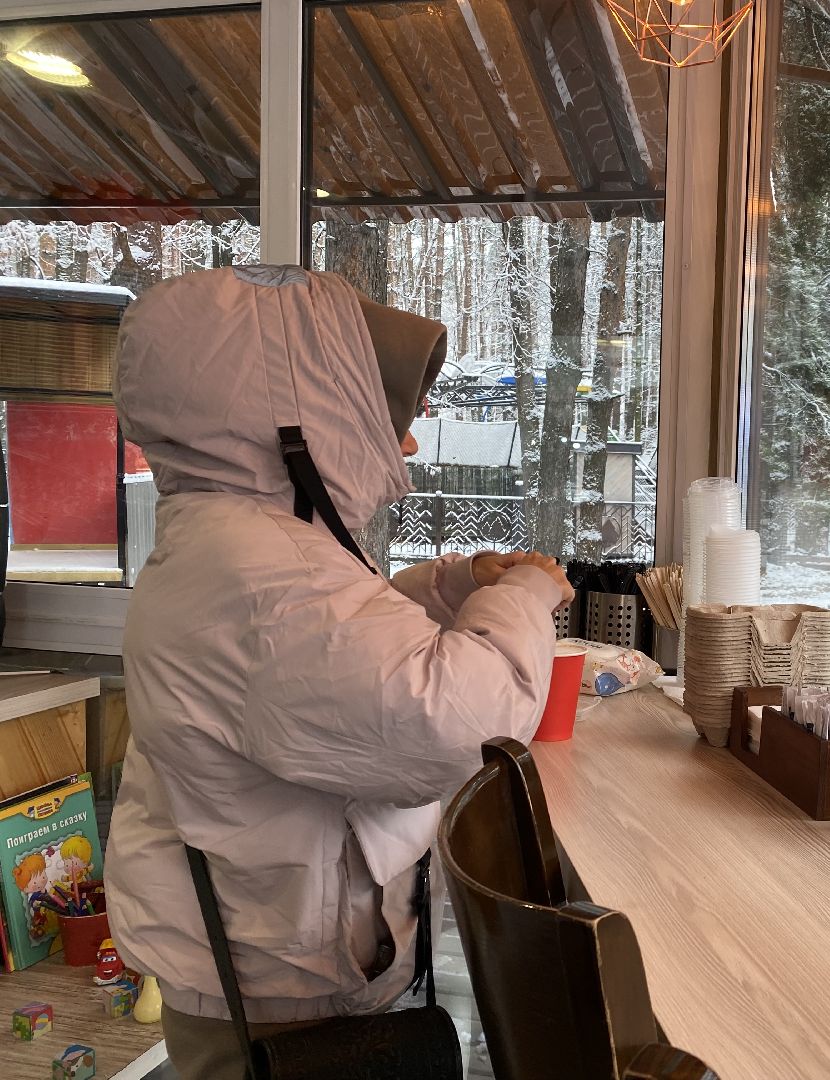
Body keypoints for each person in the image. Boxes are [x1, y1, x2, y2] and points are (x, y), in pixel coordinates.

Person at [104, 265, 574, 1080]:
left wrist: (451, 589)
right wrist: (529, 595)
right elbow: (449, 724)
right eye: (374, 411)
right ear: (291, 416)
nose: (407, 444)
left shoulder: (245, 542)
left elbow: (332, 663)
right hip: (275, 993)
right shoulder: (259, 576)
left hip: (269, 959)